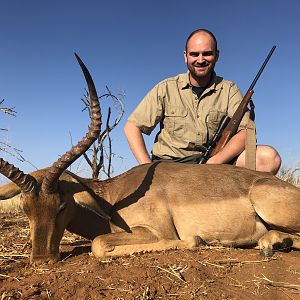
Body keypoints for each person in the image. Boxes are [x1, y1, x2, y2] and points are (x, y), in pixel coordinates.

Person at [124, 29, 281, 174]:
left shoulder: (228, 89)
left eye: (207, 54)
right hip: (169, 168)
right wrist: (146, 167)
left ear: (217, 55)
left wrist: (214, 162)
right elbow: (132, 126)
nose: (200, 60)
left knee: (268, 158)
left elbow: (246, 132)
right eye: (194, 54)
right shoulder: (166, 88)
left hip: (212, 166)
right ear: (186, 56)